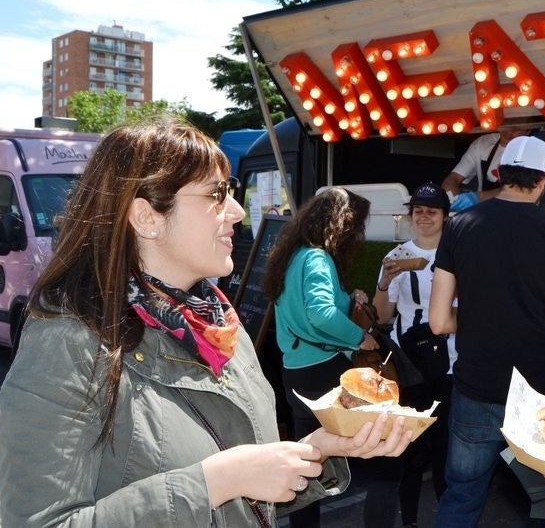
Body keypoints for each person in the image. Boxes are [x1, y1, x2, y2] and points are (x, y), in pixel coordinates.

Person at [0, 119, 411, 527]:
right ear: (146, 217)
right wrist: (216, 481)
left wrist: (317, 451)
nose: (235, 211)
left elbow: (246, 501)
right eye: (216, 194)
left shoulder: (221, 330)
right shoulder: (70, 341)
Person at [429, 135, 545, 526]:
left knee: (462, 497)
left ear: (500, 174)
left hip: (476, 388)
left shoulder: (460, 227)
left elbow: (438, 321)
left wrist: (484, 316)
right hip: (542, 392)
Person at [264, 186, 404, 528]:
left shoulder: (294, 256)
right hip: (325, 373)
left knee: (307, 463)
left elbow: (311, 308)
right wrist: (361, 337)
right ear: (341, 223)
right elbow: (321, 314)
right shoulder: (317, 257)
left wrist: (348, 297)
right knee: (383, 454)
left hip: (295, 371)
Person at [372, 182, 457, 528]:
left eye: (431, 211)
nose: (424, 217)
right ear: (410, 216)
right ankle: (408, 520)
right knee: (408, 448)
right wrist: (384, 280)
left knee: (445, 451)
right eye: (418, 211)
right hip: (409, 365)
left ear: (444, 217)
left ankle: (447, 518)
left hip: (451, 361)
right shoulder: (396, 256)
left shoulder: (459, 253)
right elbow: (381, 314)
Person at [441, 128, 533, 211]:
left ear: (528, 130)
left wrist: (476, 198)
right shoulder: (482, 144)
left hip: (517, 212)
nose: (509, 131)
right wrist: (451, 199)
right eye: (507, 125)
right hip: (483, 212)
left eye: (517, 128)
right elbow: (453, 178)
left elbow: (517, 191)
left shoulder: (531, 151)